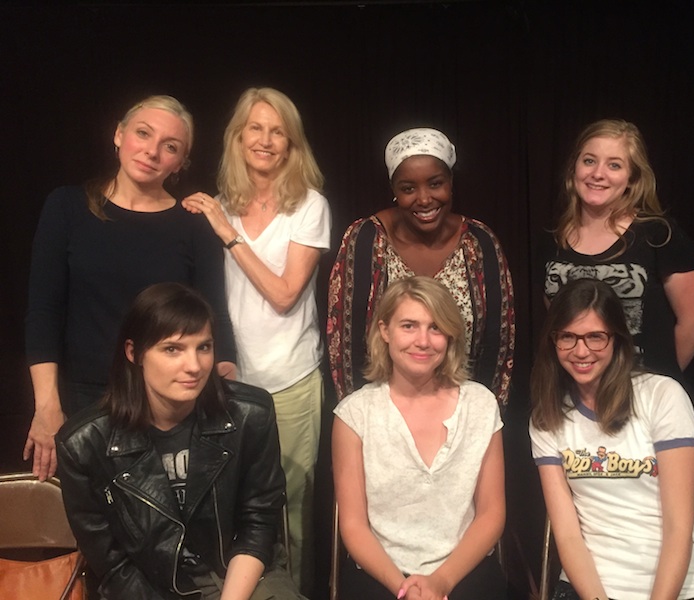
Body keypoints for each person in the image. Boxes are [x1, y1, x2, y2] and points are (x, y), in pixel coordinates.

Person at [24, 95, 236, 482]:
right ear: (119, 135)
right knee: (88, 532)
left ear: (180, 163)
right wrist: (47, 407)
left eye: (170, 146)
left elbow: (212, 315)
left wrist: (224, 398)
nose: (152, 151)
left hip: (166, 404)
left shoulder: (193, 225)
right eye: (143, 133)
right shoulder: (67, 207)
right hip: (83, 400)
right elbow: (43, 311)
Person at [55, 282, 303, 600]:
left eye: (204, 347)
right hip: (145, 587)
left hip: (237, 575)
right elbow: (113, 565)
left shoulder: (249, 415)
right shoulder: (84, 444)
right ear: (134, 353)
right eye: (173, 349)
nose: (195, 366)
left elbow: (258, 524)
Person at [182, 87, 330, 594]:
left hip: (289, 379)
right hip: (227, 383)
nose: (266, 140)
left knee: (291, 510)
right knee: (230, 508)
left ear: (292, 144)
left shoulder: (308, 205)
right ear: (238, 137)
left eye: (278, 131)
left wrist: (228, 234)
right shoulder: (218, 206)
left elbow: (286, 294)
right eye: (256, 128)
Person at [529, 278, 694, 600]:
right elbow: (567, 536)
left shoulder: (662, 396)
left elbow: (679, 527)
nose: (581, 351)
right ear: (553, 341)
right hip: (595, 582)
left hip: (683, 583)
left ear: (617, 339)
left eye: (595, 337)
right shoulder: (547, 418)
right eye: (567, 337)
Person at [333, 276, 507, 600]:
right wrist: (403, 589)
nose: (423, 341)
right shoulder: (355, 414)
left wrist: (441, 581)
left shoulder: (481, 404)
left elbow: (491, 514)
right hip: (381, 573)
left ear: (450, 335)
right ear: (385, 331)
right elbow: (354, 526)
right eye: (409, 326)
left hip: (463, 569)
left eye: (436, 328)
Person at [327, 127, 515, 406]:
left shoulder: (479, 243)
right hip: (382, 412)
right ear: (394, 191)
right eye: (408, 188)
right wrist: (361, 420)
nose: (424, 199)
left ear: (451, 183)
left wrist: (484, 416)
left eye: (435, 183)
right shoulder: (366, 240)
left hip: (463, 411)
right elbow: (344, 346)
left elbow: (499, 343)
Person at [541, 119, 694, 378]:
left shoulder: (658, 235)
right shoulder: (555, 238)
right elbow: (557, 320)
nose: (598, 173)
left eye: (614, 165)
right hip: (575, 391)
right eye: (589, 161)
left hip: (641, 392)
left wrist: (661, 383)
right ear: (574, 168)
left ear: (632, 178)